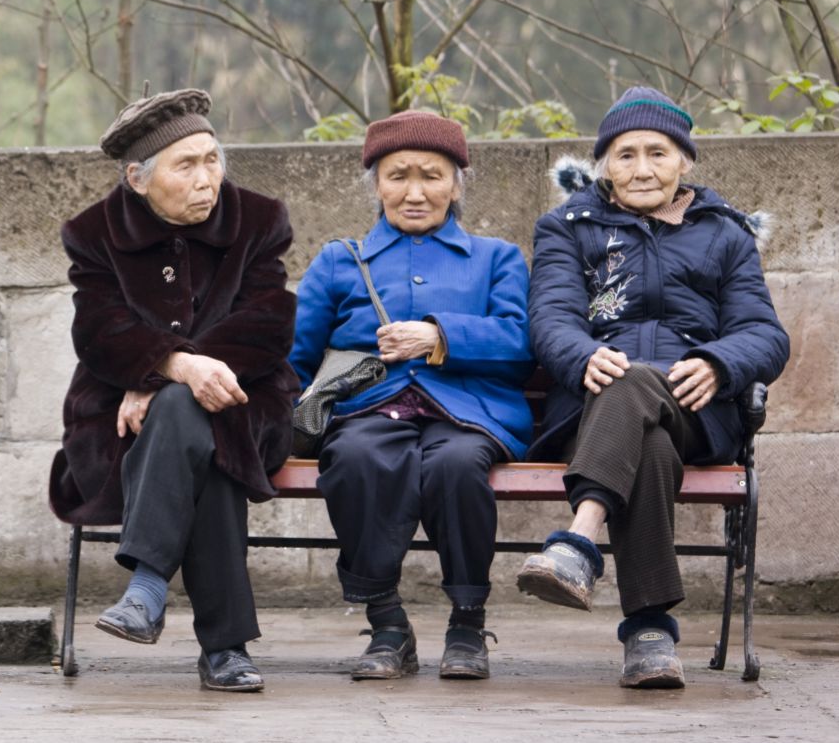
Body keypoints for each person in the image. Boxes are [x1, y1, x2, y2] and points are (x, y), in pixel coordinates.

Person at [517, 87, 788, 688]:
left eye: (658, 153)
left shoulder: (726, 234)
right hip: (594, 406)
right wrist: (582, 354)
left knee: (645, 394)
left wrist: (719, 362)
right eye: (625, 155)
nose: (642, 168)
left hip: (698, 413)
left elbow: (765, 334)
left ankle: (578, 542)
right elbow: (551, 319)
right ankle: (650, 635)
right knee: (646, 433)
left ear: (684, 161)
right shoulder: (568, 228)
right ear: (604, 165)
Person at [48, 88, 298, 693]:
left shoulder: (260, 219)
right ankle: (226, 651)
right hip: (116, 419)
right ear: (137, 178)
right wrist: (173, 370)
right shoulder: (93, 233)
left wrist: (162, 374)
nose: (206, 178)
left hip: (248, 403)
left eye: (212, 159)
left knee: (193, 417)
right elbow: (100, 330)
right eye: (185, 165)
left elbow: (269, 323)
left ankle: (146, 587)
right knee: (199, 442)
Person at [291, 111, 532, 681]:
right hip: (367, 408)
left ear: (457, 185)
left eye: (433, 176)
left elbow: (522, 344)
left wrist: (440, 335)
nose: (416, 192)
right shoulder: (339, 260)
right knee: (352, 458)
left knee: (456, 465)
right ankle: (387, 625)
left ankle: (468, 625)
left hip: (467, 412)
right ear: (376, 184)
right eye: (398, 175)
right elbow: (298, 356)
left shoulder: (497, 257)